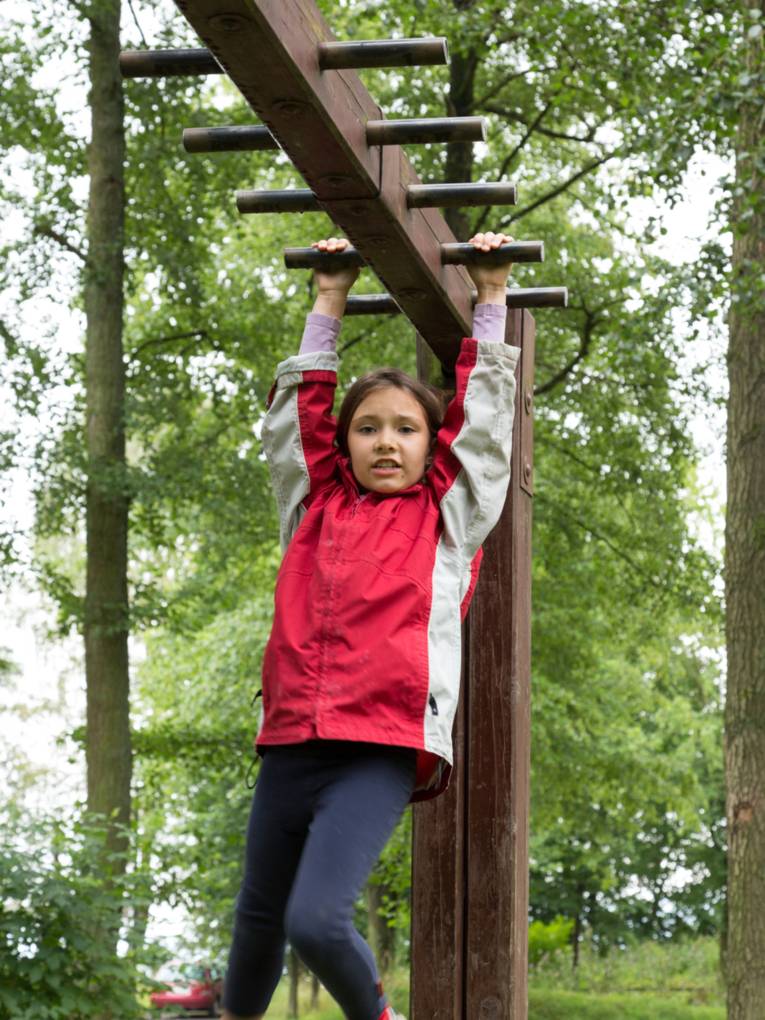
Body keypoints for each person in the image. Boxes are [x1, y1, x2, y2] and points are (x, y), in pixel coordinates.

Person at [222, 232, 521, 1020]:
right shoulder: (310, 509)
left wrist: (490, 301)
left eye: (405, 428)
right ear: (344, 446)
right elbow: (296, 425)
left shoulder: (444, 520)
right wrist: (327, 300)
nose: (385, 441)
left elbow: (484, 433)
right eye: (366, 428)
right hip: (290, 739)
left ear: (432, 448)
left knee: (313, 920)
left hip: (379, 745)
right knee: (255, 923)